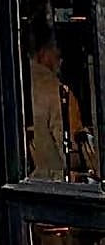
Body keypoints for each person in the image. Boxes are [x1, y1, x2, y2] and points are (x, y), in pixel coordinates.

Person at [27, 26, 97, 181]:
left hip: (28, 185)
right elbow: (71, 155)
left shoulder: (18, 87)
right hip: (54, 186)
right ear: (44, 53)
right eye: (58, 53)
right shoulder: (58, 92)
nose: (60, 58)